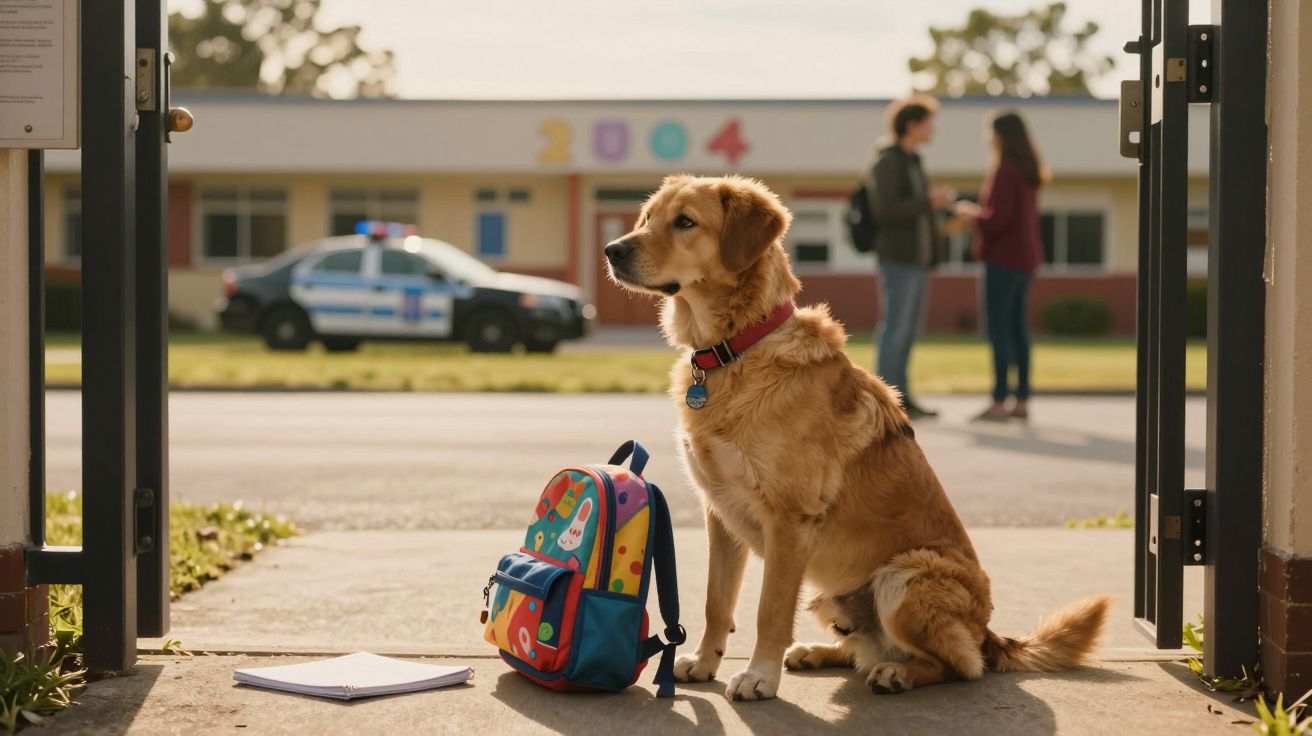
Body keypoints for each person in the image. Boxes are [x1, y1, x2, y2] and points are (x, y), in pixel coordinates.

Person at [955, 110, 1047, 422]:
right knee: (1019, 332)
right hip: (1025, 261)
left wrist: (972, 214)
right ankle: (1021, 400)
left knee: (999, 332)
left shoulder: (1006, 170)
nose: (987, 138)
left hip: (1003, 261)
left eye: (989, 132)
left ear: (1000, 135)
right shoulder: (1027, 169)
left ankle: (998, 401)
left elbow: (997, 221)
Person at [869, 94, 956, 419]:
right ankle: (886, 400)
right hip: (897, 258)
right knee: (895, 328)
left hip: (918, 260)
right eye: (928, 122)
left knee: (909, 330)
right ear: (911, 125)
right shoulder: (888, 161)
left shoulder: (913, 160)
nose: (932, 128)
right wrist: (927, 201)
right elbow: (887, 209)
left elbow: (917, 209)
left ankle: (903, 397)